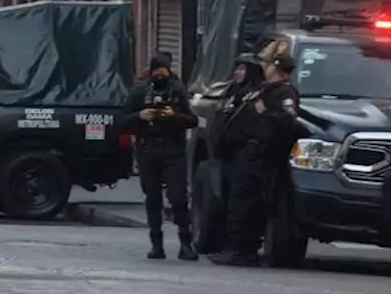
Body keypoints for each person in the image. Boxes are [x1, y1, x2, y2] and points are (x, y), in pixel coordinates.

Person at [210, 51, 301, 267]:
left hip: (260, 156)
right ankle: (237, 248)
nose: (265, 68)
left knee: (243, 204)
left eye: (269, 65)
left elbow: (289, 120)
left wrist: (263, 113)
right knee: (238, 201)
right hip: (245, 154)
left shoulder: (284, 93)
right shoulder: (263, 90)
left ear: (276, 68)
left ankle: (241, 250)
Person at [124, 53, 198, 261]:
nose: (160, 78)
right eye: (157, 74)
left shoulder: (177, 90)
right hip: (147, 150)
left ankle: (186, 243)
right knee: (153, 198)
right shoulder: (140, 90)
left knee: (178, 198)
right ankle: (156, 245)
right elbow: (122, 119)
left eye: (163, 74)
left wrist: (174, 117)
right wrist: (140, 116)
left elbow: (192, 120)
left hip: (173, 150)